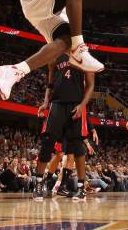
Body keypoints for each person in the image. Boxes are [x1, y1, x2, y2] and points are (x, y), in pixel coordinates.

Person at [34, 54, 94, 201]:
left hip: (76, 105)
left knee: (77, 145)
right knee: (48, 141)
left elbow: (91, 85)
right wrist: (46, 102)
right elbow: (50, 84)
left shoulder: (85, 57)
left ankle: (81, 188)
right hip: (57, 104)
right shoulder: (54, 58)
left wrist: (82, 105)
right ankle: (38, 184)